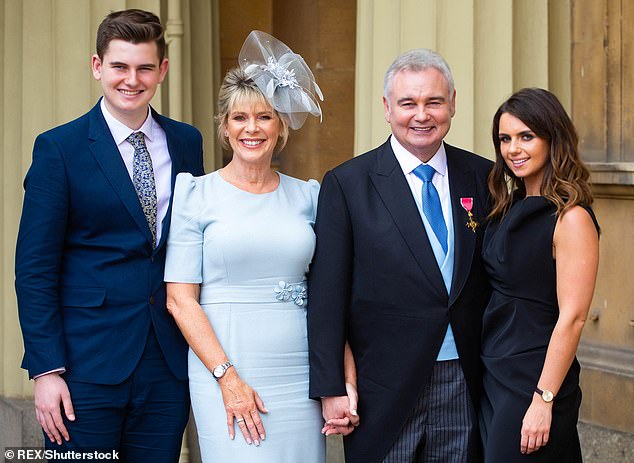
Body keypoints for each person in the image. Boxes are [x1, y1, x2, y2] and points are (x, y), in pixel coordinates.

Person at [15, 9, 204, 461]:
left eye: (143, 68)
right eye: (119, 66)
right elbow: (34, 269)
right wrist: (46, 371)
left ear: (162, 70)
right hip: (84, 366)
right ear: (98, 66)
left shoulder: (186, 142)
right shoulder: (59, 148)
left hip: (166, 361)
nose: (131, 80)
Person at [163, 30, 356, 463]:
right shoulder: (195, 194)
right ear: (225, 127)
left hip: (301, 374)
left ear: (281, 125)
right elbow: (179, 300)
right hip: (227, 368)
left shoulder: (309, 195)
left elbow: (329, 297)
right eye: (239, 118)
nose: (252, 129)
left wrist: (343, 380)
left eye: (265, 117)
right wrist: (227, 378)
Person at [308, 48, 493, 463]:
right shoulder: (348, 183)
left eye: (433, 101)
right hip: (383, 388)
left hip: (465, 379)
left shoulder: (483, 176)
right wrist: (331, 385)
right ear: (387, 108)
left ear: (453, 104)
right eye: (408, 103)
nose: (421, 115)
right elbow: (327, 293)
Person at [479, 88, 599, 462]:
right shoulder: (505, 206)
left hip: (535, 380)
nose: (514, 148)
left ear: (552, 138)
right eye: (505, 139)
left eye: (526, 136)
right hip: (495, 371)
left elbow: (574, 317)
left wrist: (543, 398)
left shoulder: (571, 217)